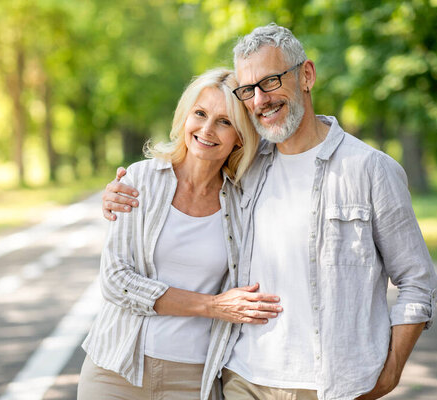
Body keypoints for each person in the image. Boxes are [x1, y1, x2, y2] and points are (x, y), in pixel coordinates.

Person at [101, 24, 437, 400]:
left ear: (306, 75)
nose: (260, 99)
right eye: (248, 90)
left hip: (328, 386)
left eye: (272, 81)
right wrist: (121, 192)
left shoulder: (370, 170)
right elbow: (189, 175)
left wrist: (391, 370)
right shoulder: (246, 169)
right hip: (240, 377)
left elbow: (417, 281)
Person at [78, 68, 283, 400]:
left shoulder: (244, 201)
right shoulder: (139, 180)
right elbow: (115, 280)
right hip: (115, 370)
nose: (206, 129)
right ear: (184, 117)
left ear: (240, 136)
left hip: (194, 378)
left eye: (225, 121)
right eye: (200, 114)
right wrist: (212, 305)